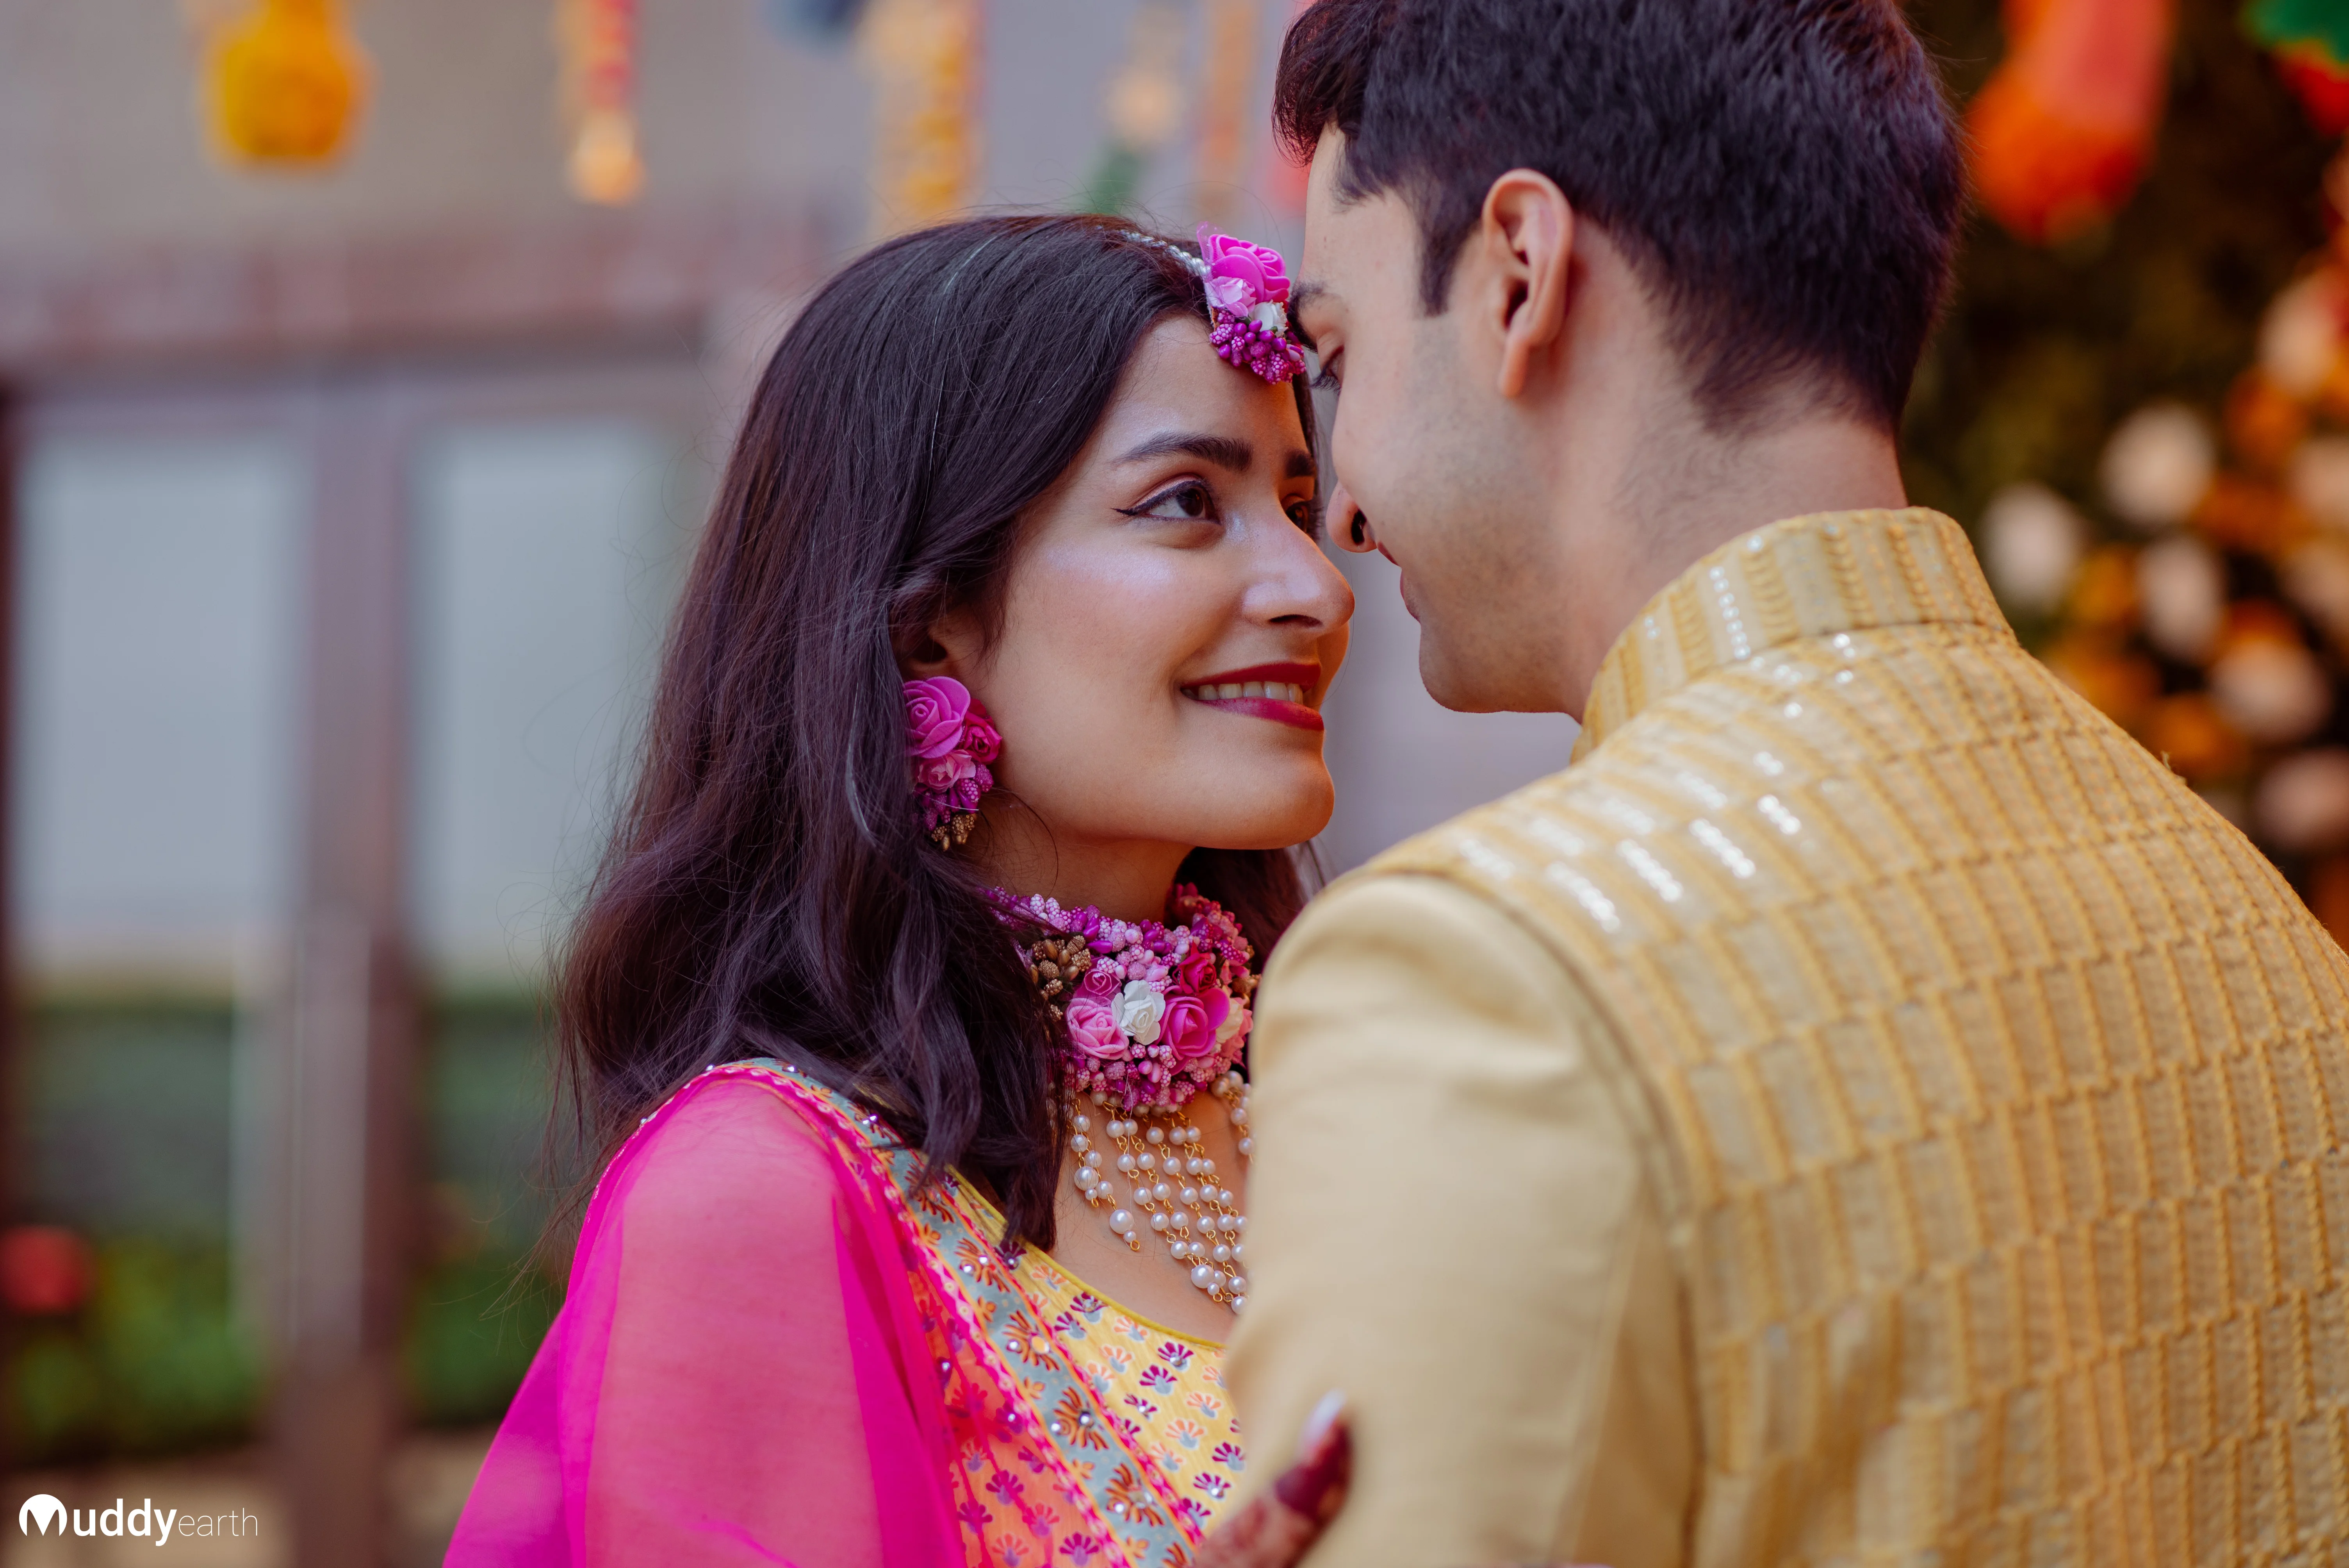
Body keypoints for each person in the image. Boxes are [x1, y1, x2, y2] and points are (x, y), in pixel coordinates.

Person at [1228, 2, 2349, 1565]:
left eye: (1341, 359)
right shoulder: (2256, 928)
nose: (1341, 505)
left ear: (1518, 275)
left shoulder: (1482, 978)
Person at [445, 214, 1356, 1566]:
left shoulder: (1340, 1097)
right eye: (1185, 503)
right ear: (929, 618)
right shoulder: (757, 1194)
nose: (1316, 587)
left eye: (1297, 506)